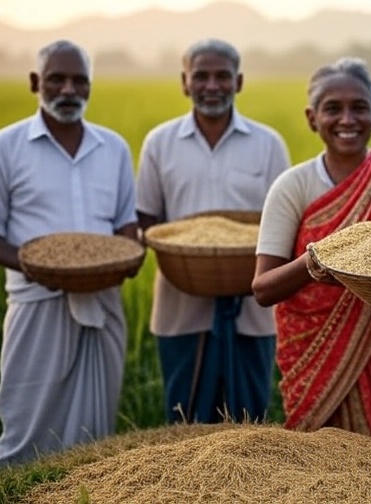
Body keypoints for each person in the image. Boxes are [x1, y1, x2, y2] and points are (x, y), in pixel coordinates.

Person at [0, 40, 137, 467]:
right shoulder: (2, 148)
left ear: (90, 88)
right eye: (56, 79)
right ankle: (15, 491)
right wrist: (36, 265)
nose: (68, 90)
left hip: (102, 301)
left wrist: (128, 256)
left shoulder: (112, 147)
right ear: (35, 82)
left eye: (79, 81)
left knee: (97, 432)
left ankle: (88, 492)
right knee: (27, 426)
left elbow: (126, 225)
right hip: (35, 302)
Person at [252, 57, 371, 443]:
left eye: (359, 107)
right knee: (325, 469)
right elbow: (264, 288)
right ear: (312, 118)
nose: (347, 119)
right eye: (333, 108)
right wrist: (315, 261)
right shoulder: (292, 186)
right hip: (314, 356)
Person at [136, 39, 290, 423]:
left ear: (238, 82)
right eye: (200, 76)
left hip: (253, 309)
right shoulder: (160, 143)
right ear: (184, 83)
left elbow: (284, 223)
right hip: (180, 305)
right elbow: (146, 220)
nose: (211, 85)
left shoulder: (267, 144)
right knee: (184, 419)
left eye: (222, 76)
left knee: (249, 420)